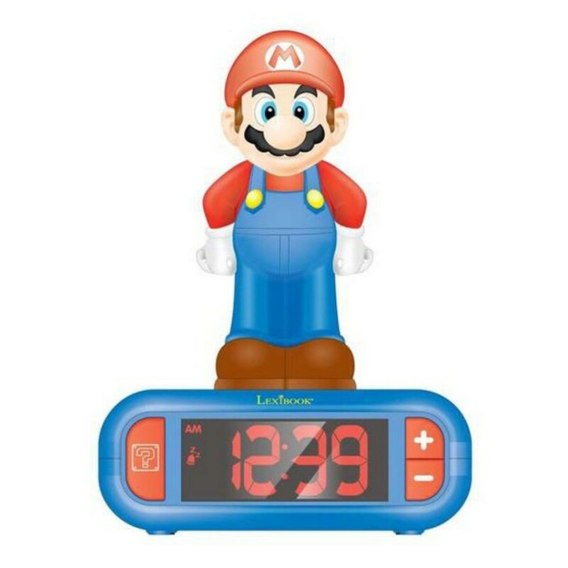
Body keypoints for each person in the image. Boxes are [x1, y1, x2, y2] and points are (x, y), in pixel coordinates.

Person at [197, 30, 373, 390]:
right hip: (254, 273)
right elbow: (215, 201)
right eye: (267, 112)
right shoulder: (243, 180)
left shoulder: (325, 180)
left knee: (321, 338)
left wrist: (351, 243)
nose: (284, 130)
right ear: (232, 126)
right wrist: (217, 244)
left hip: (315, 272)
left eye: (301, 112)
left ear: (336, 126)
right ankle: (249, 346)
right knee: (248, 337)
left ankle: (320, 345)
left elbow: (353, 201)